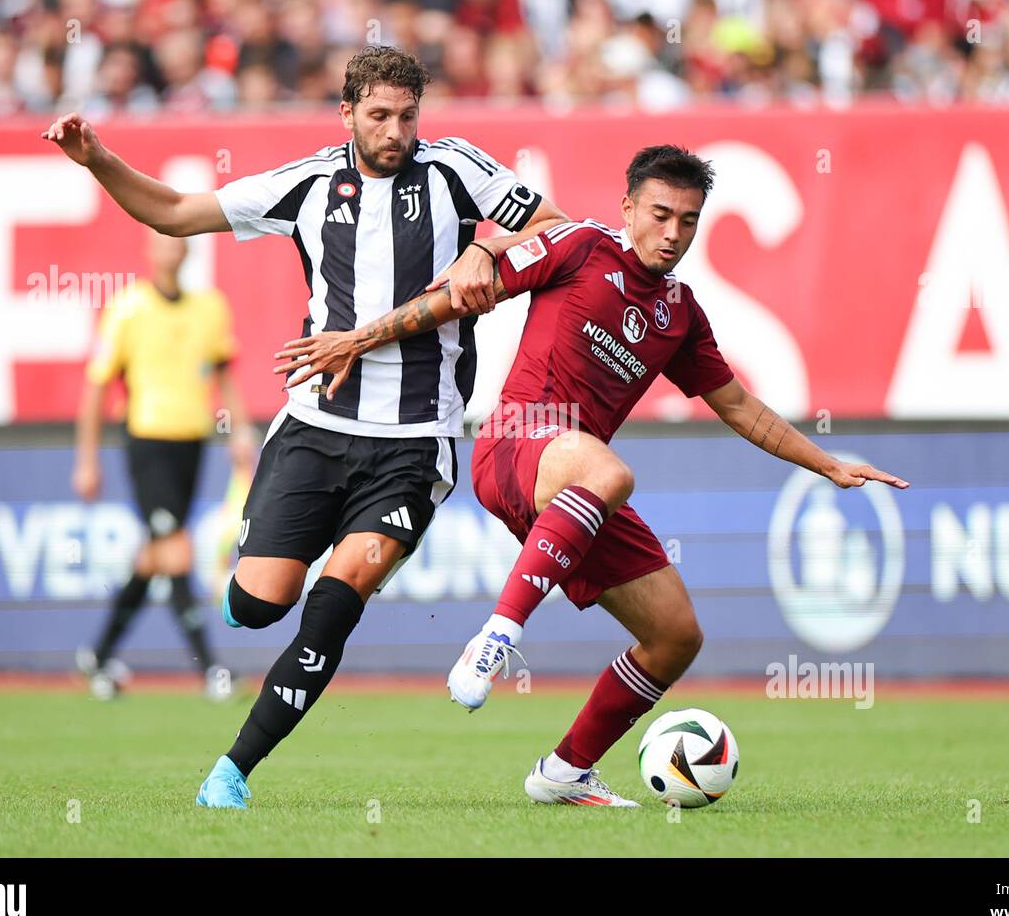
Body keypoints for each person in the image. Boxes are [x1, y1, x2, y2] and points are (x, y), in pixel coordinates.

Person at [275, 144, 910, 805]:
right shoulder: (578, 245)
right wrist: (356, 338)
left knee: (674, 636)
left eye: (689, 221)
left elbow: (740, 407)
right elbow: (455, 298)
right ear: (628, 207)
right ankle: (495, 640)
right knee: (610, 472)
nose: (673, 233)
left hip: (576, 486)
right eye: (661, 214)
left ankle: (563, 773)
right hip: (516, 441)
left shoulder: (680, 313)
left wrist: (829, 464)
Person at [43, 45, 567, 808]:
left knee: (339, 592)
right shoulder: (310, 184)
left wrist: (488, 244)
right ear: (347, 113)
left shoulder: (458, 170)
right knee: (260, 605)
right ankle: (252, 584)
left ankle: (232, 772)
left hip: (416, 442)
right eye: (380, 115)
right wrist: (98, 161)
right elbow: (177, 212)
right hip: (315, 427)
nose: (395, 131)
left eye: (408, 116)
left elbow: (557, 228)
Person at [73, 230, 253, 701]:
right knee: (175, 550)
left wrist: (239, 431)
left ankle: (98, 655)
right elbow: (96, 385)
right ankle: (210, 669)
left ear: (187, 250)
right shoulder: (128, 307)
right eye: (162, 241)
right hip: (146, 440)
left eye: (177, 241)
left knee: (155, 556)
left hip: (192, 442)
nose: (171, 249)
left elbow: (223, 373)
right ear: (149, 250)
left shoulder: (210, 308)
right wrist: (87, 460)